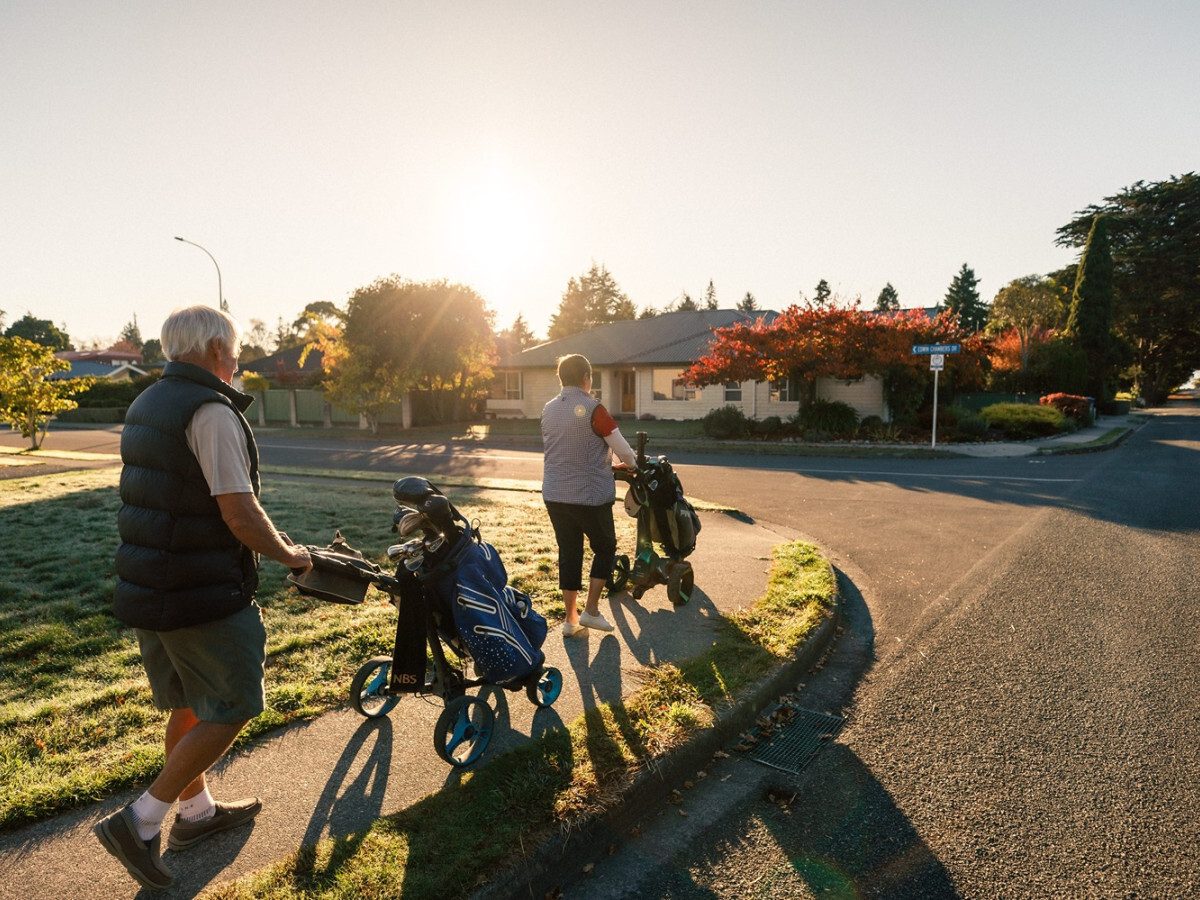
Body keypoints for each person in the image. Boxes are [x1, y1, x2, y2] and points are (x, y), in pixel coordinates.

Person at [94, 306, 312, 891]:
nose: (237, 361)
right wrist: (290, 555)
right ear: (217, 349)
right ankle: (140, 821)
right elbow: (238, 511)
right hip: (201, 592)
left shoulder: (147, 402)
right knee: (232, 705)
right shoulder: (211, 411)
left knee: (187, 704)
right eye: (235, 350)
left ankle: (196, 815)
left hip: (151, 584)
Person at [541, 354, 637, 637]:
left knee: (569, 552)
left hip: (555, 494)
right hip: (589, 496)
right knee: (605, 547)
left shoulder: (547, 409)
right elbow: (623, 450)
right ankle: (591, 610)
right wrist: (632, 466)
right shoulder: (594, 409)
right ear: (586, 377)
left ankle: (570, 621)